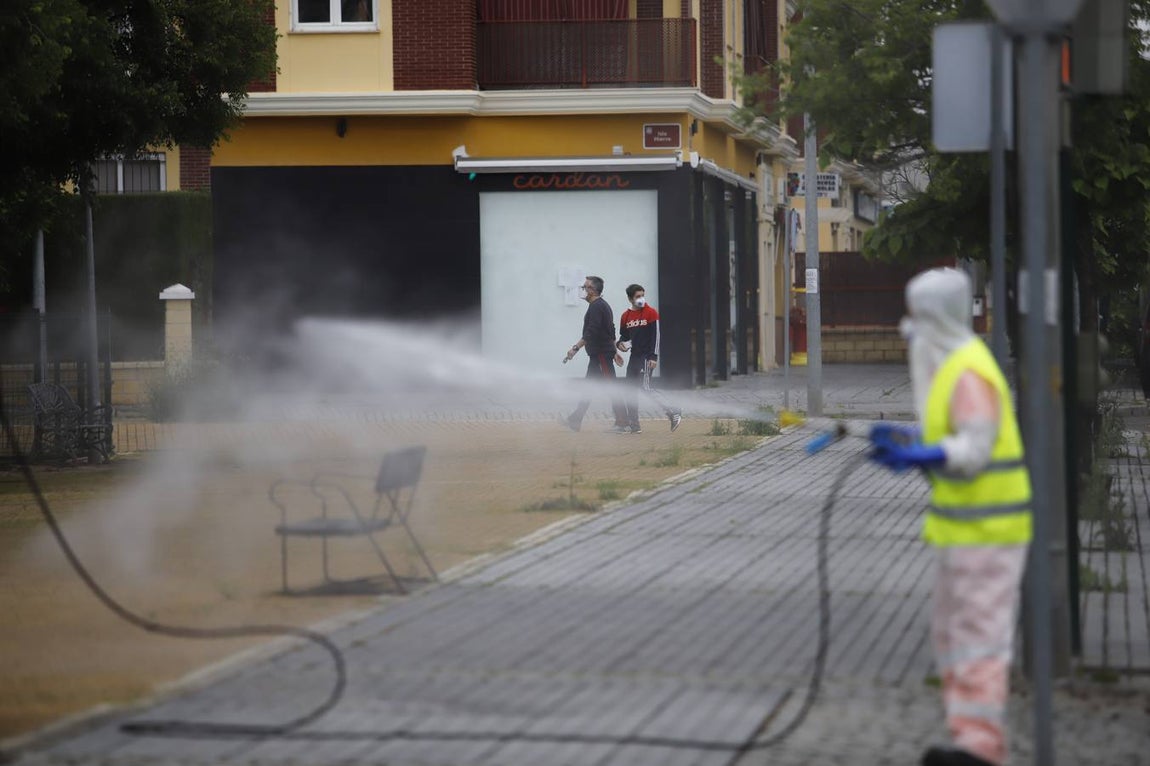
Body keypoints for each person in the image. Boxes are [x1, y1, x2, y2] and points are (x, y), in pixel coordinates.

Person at [867, 268, 1031, 766]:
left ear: (936, 316)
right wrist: (913, 442)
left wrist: (923, 455)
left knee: (979, 637)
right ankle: (968, 737)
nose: (910, 326)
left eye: (918, 314)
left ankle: (981, 748)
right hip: (966, 527)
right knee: (954, 637)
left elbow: (974, 448)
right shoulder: (952, 365)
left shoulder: (966, 369)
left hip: (991, 529)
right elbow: (952, 435)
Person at [561, 275, 628, 432]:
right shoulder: (600, 306)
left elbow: (592, 332)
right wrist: (615, 350)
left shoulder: (597, 307)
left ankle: (622, 422)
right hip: (600, 354)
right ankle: (575, 420)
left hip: (601, 355)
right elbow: (610, 329)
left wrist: (575, 348)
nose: (583, 290)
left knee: (612, 387)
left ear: (592, 290)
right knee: (589, 388)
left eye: (585, 287)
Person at [616, 284, 682, 434]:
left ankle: (673, 411)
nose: (641, 299)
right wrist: (620, 344)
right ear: (630, 298)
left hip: (646, 357)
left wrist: (654, 356)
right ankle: (634, 426)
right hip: (634, 357)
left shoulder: (651, 313)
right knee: (629, 390)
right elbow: (624, 337)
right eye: (638, 296)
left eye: (642, 295)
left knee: (645, 387)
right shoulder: (625, 316)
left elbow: (656, 337)